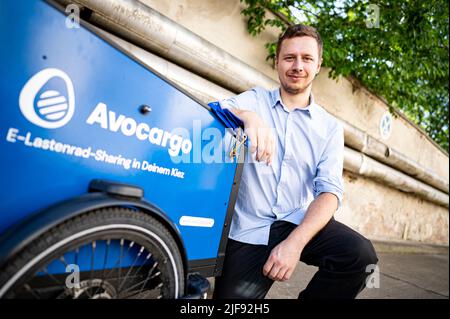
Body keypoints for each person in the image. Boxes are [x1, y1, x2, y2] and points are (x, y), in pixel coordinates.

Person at [212, 24, 378, 299]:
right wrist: (247, 117)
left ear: (318, 64)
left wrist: (295, 244)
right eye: (289, 58)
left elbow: (329, 192)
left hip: (296, 221)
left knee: (360, 257)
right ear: (277, 61)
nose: (297, 65)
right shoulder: (255, 100)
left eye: (307, 58)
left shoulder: (329, 128)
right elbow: (215, 109)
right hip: (250, 228)